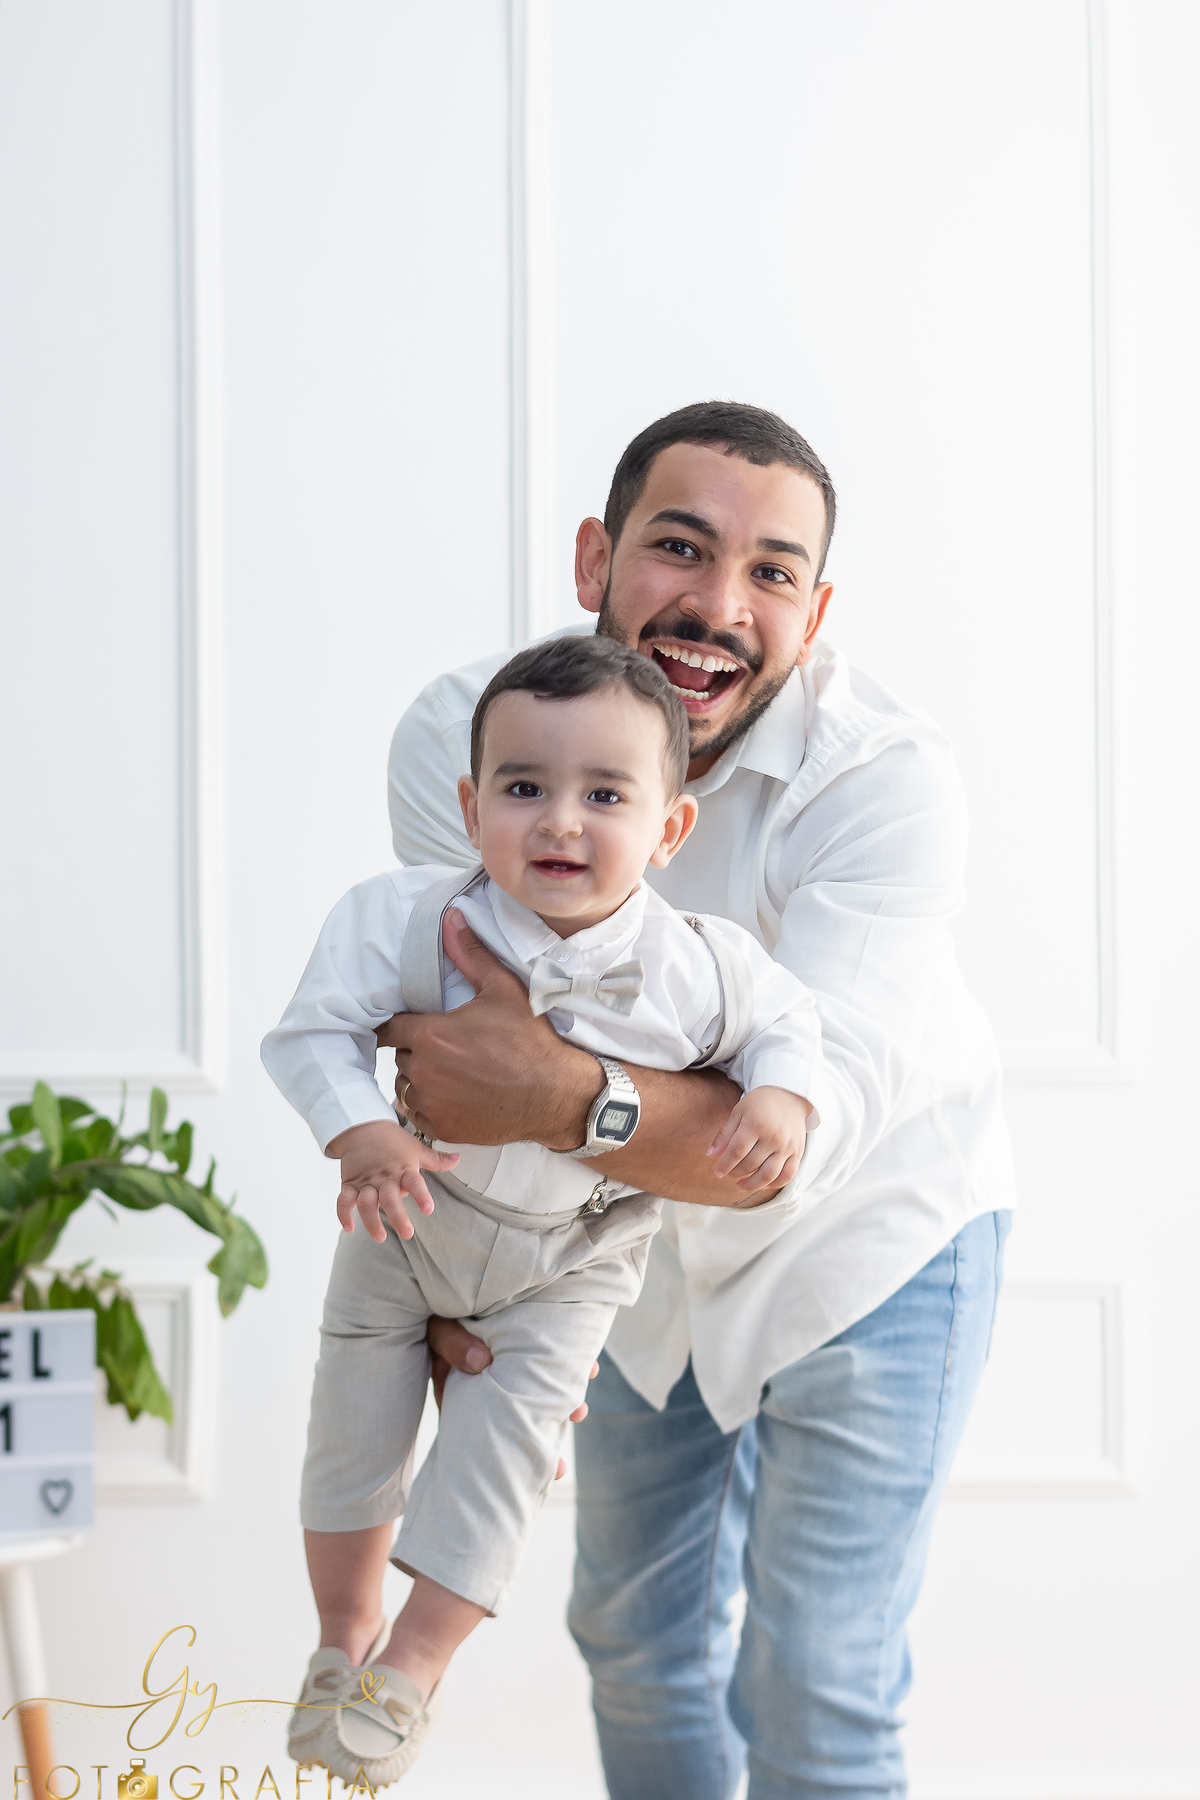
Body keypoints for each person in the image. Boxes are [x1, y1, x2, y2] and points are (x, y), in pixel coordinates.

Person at [381, 401, 1015, 1798]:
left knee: (816, 1677)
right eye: (680, 547)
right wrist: (464, 1275)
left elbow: (785, 1145)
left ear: (818, 607)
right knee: (634, 1638)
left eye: (774, 572)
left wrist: (556, 1091)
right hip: (621, 1254)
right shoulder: (462, 740)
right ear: (595, 554)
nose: (720, 607)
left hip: (874, 1244)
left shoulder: (887, 781)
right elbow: (458, 1066)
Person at [262, 634, 826, 1787]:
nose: (560, 821)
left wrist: (780, 1096)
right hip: (408, 1218)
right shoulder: (407, 918)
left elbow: (793, 1026)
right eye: (524, 789)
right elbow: (312, 1028)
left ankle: (414, 1665)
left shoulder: (699, 967)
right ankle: (341, 1634)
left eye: (604, 795)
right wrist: (359, 1130)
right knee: (349, 1432)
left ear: (670, 830)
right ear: (472, 810)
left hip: (568, 1266)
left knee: (501, 1457)